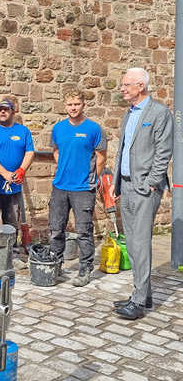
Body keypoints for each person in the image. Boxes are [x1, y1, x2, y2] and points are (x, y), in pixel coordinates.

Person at [111, 68, 172, 320]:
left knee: (140, 243)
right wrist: (116, 184)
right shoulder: (129, 113)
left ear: (141, 86)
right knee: (133, 245)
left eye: (127, 85)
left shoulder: (159, 113)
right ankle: (142, 294)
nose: (122, 89)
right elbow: (123, 149)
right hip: (125, 186)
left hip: (144, 188)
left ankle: (138, 301)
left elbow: (163, 150)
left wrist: (151, 182)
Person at [49, 90, 107, 287]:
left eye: (77, 104)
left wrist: (93, 178)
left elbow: (101, 156)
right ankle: (55, 267)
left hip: (83, 188)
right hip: (60, 186)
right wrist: (63, 165)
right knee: (56, 229)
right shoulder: (58, 128)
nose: (73, 108)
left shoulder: (93, 129)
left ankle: (84, 269)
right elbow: (55, 151)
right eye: (70, 104)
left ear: (83, 105)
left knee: (83, 231)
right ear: (65, 106)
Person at [0, 99, 34, 250]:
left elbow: (30, 152)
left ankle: (10, 253)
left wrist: (21, 170)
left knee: (12, 222)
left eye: (6, 109)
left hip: (14, 187)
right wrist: (4, 173)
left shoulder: (23, 131)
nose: (2, 112)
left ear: (13, 111)